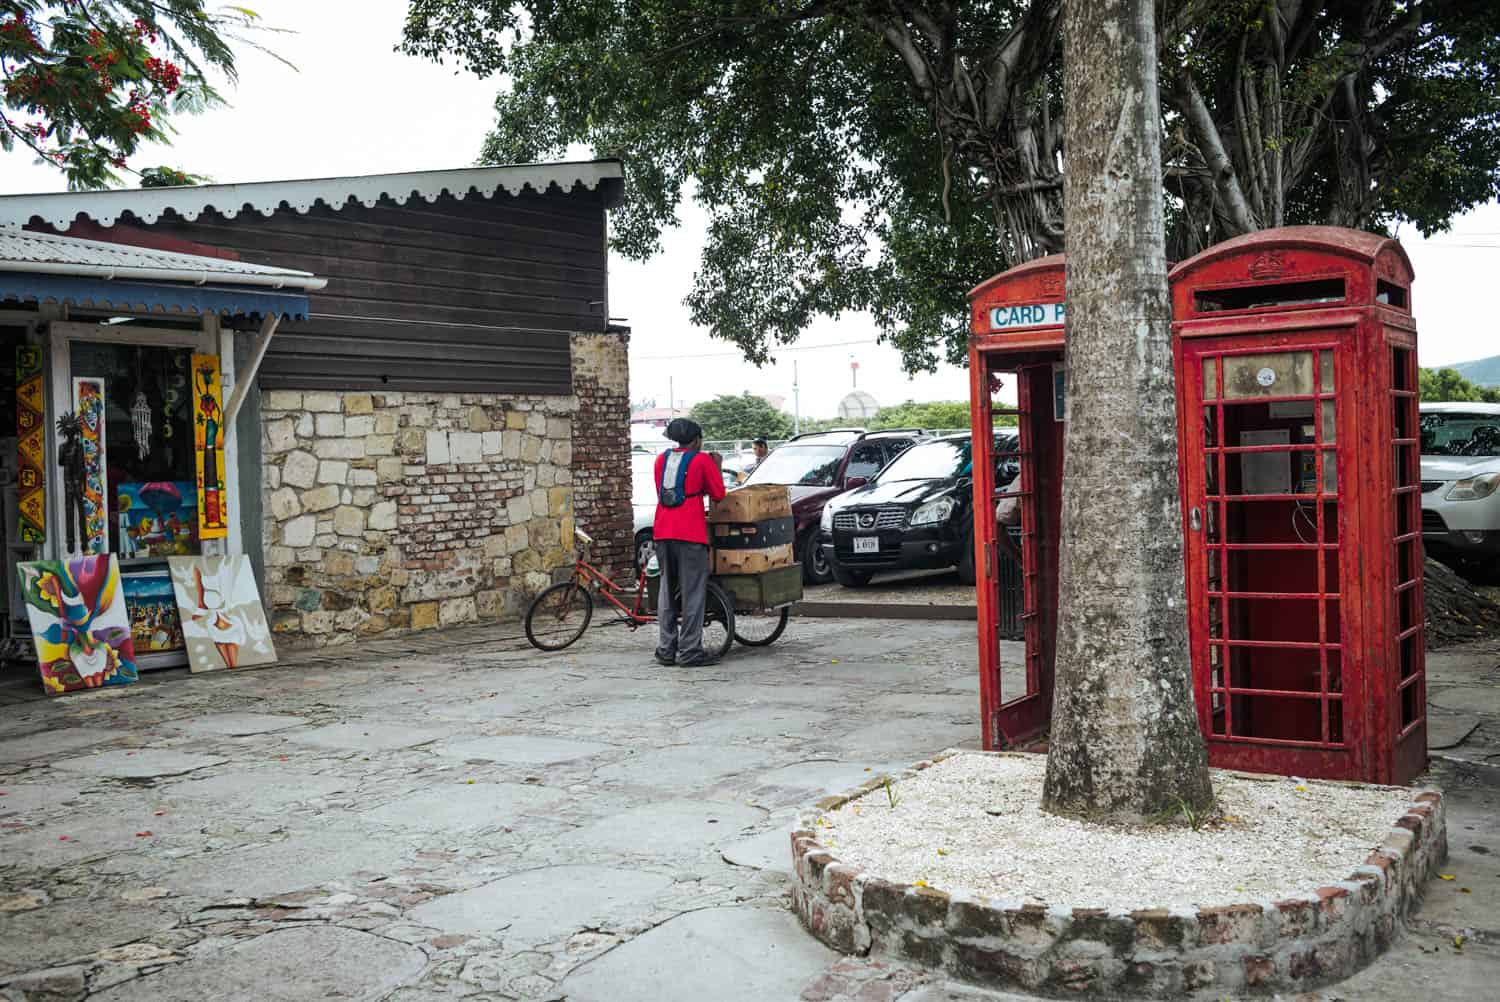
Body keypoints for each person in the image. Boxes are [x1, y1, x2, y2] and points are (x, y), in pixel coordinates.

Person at [653, 418, 727, 666]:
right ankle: (689, 651)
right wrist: (715, 468)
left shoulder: (660, 460)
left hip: (662, 530)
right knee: (692, 592)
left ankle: (666, 648)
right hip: (690, 533)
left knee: (666, 591)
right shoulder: (702, 459)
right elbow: (718, 494)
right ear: (696, 440)